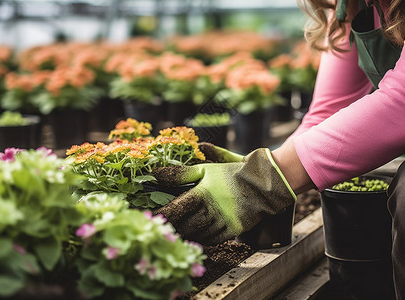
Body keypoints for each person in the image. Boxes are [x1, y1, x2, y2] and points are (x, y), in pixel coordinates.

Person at [153, 0, 405, 298]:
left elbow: (400, 101)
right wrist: (257, 167)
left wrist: (262, 180)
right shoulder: (349, 6)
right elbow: (328, 110)